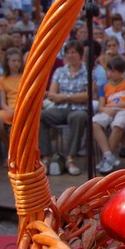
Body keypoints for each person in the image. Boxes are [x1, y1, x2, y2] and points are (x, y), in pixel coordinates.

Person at [39, 40, 91, 176]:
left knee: (78, 117)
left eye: (73, 52)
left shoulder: (87, 71)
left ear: (80, 54)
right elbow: (52, 94)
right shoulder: (59, 71)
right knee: (40, 116)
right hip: (60, 109)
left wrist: (65, 96)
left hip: (79, 109)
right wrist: (72, 96)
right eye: (68, 53)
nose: (70, 55)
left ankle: (70, 158)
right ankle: (45, 157)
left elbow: (87, 95)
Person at [94, 57, 125, 174]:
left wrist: (117, 105)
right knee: (95, 122)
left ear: (121, 72)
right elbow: (101, 105)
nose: (110, 74)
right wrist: (106, 109)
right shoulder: (105, 86)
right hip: (109, 110)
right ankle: (108, 156)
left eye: (113, 71)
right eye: (109, 70)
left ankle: (106, 161)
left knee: (118, 124)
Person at [0, 47, 23, 159]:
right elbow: (3, 102)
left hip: (23, 108)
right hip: (10, 108)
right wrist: (10, 110)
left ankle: (15, 155)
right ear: (7, 62)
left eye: (18, 61)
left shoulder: (25, 77)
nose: (16, 64)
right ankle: (10, 148)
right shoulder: (2, 79)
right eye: (13, 61)